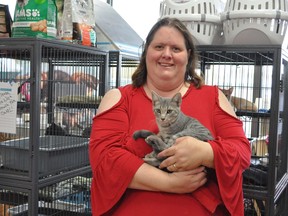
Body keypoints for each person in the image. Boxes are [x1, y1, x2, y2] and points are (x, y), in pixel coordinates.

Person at [89, 17, 251, 216]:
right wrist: (170, 183)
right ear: (146, 51)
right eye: (159, 47)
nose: (167, 54)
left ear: (188, 55)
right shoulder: (119, 98)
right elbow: (104, 161)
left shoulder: (213, 97)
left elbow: (242, 152)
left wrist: (204, 152)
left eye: (176, 49)